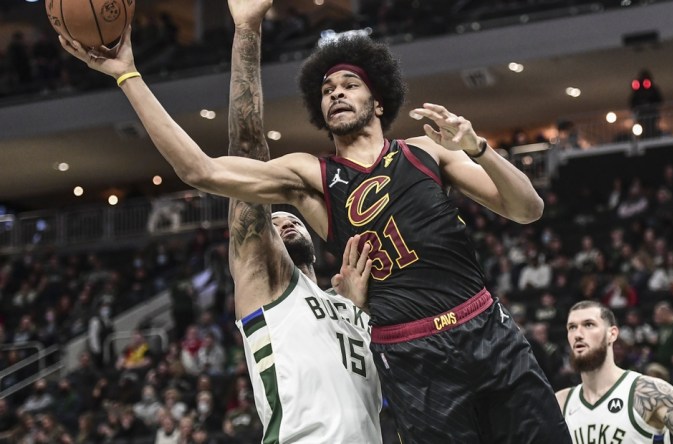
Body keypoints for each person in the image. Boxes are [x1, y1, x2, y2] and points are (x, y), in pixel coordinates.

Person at [57, 0, 568, 441]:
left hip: (484, 327)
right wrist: (127, 74)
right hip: (413, 356)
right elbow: (200, 170)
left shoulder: (427, 151)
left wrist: (478, 148)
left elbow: (528, 209)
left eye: (350, 84)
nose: (337, 93)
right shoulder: (310, 175)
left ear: (379, 99)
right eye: (327, 89)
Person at [225, 1, 381, 441]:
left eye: (289, 217)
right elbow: (247, 149)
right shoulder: (266, 283)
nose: (283, 222)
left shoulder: (349, 301)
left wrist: (359, 307)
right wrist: (248, 30)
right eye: (271, 223)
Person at [556, 300, 673, 444]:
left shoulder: (648, 393)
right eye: (572, 327)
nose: (578, 334)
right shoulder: (560, 402)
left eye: (588, 324)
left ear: (612, 334)